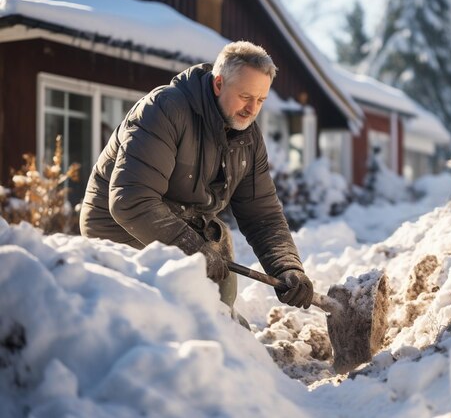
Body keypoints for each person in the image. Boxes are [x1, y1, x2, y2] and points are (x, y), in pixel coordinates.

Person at [80, 41, 314, 325]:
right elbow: (131, 201)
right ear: (218, 84)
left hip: (177, 224)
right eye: (244, 96)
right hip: (120, 233)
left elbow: (262, 214)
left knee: (219, 241)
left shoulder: (247, 139)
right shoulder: (164, 110)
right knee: (190, 316)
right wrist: (192, 248)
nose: (252, 109)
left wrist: (288, 267)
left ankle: (218, 324)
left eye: (260, 100)